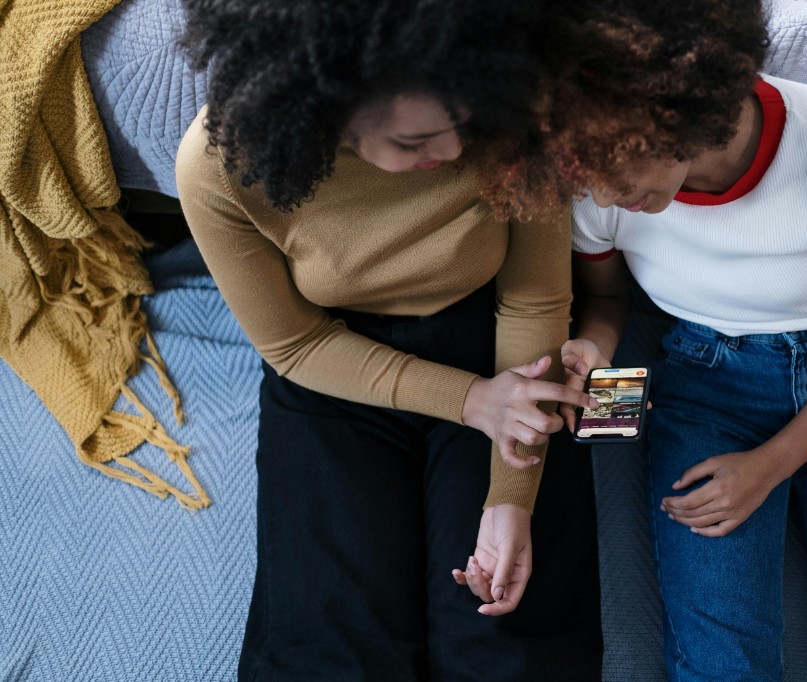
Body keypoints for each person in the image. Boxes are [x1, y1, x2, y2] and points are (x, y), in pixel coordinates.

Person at [497, 0, 807, 679]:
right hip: (706, 392)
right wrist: (593, 345)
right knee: (720, 662)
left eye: (616, 166)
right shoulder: (593, 185)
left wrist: (770, 465)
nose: (604, 196)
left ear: (679, 109)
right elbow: (609, 298)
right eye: (584, 172)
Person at [174, 1, 603, 680]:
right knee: (331, 647)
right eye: (416, 141)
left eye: (465, 124)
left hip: (497, 340)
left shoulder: (517, 101)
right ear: (329, 110)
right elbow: (294, 347)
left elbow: (535, 300)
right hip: (335, 363)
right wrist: (470, 402)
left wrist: (511, 498)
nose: (455, 153)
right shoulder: (220, 164)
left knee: (506, 637)